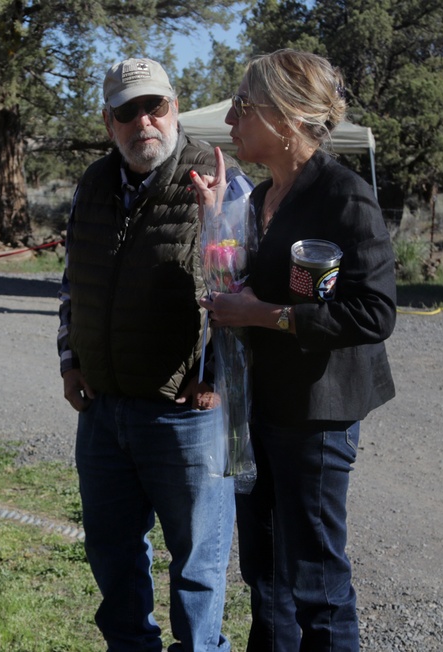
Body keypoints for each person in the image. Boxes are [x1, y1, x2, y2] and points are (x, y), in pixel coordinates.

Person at [193, 49, 396, 651]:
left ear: (285, 117)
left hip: (318, 413)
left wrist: (267, 316)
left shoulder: (344, 196)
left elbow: (373, 312)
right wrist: (215, 225)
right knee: (265, 572)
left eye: (243, 106)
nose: (231, 119)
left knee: (314, 576)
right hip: (263, 406)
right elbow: (249, 281)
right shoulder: (258, 200)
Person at [57, 57, 251, 652]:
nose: (143, 121)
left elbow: (244, 293)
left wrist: (217, 373)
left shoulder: (221, 178)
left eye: (154, 106)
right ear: (109, 120)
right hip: (105, 410)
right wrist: (69, 360)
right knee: (114, 562)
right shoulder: (93, 183)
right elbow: (73, 282)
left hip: (184, 414)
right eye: (127, 111)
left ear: (173, 104)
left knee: (197, 569)